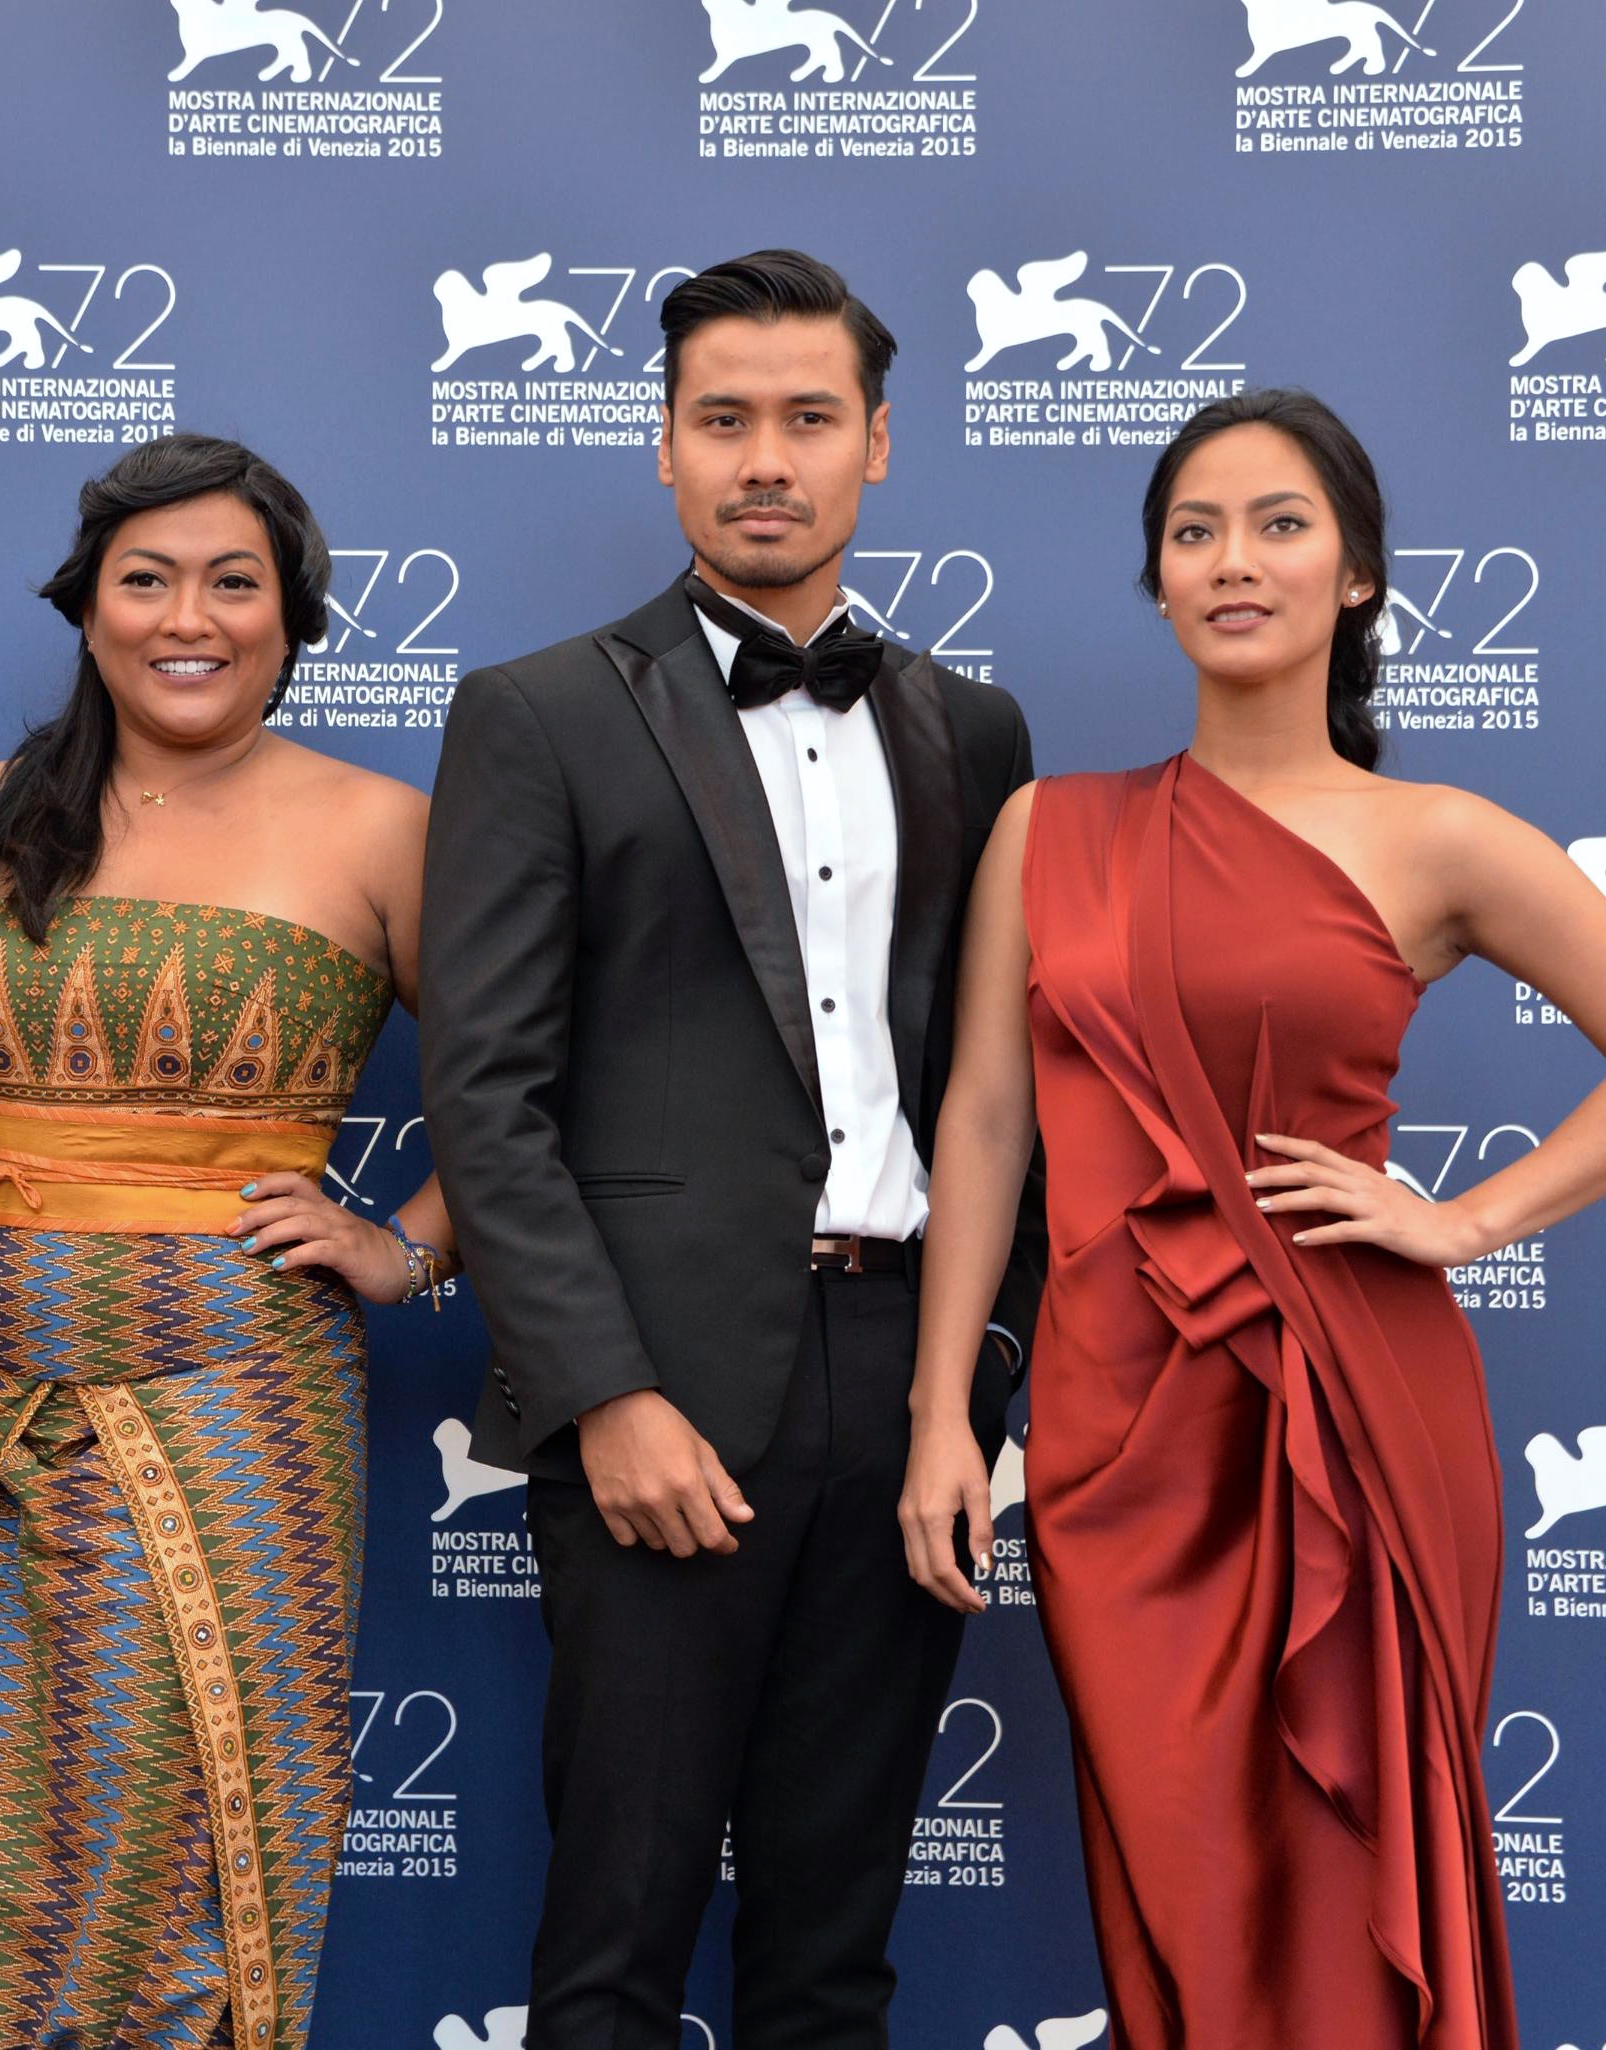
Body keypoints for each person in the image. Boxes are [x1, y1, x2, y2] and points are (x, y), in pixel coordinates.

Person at [898, 387, 1606, 2050]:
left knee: (1353, 1850)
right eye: (1196, 530)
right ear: (1155, 576)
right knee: (1175, 1862)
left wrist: (1468, 1219)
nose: (1236, 561)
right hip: (1106, 1411)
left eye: (1281, 525)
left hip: (1350, 1398)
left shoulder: (1431, 835)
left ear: (1357, 571)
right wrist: (950, 1414)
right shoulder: (1047, 828)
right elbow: (988, 1124)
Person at [417, 250, 1047, 2049]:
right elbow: (490, 1093)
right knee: (614, 1937)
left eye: (807, 419)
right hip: (661, 1384)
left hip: (910, 1383)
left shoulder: (975, 729)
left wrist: (977, 1394)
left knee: (836, 1948)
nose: (765, 457)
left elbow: (1001, 1094)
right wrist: (602, 1393)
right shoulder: (536, 712)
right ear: (668, 450)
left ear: (879, 446)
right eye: (724, 420)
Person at [0, 433, 454, 2050]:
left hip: (230, 1394)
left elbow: (525, 1094)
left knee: (184, 1856)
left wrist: (400, 1244)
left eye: (232, 581)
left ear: (293, 617)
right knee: (28, 1858)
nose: (184, 615)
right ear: (87, 608)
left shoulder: (378, 828)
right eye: (146, 579)